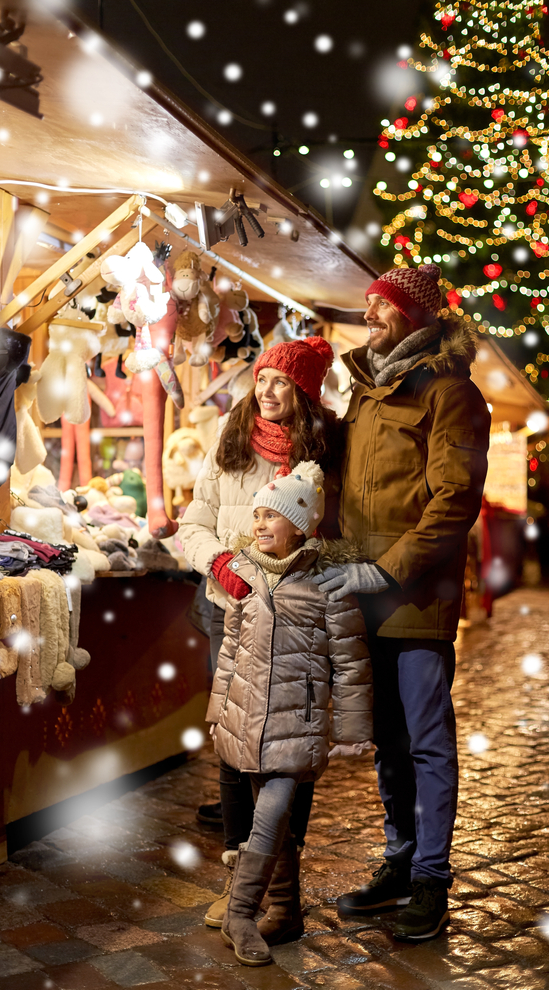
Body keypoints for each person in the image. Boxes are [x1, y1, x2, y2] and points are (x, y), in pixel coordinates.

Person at [316, 263, 490, 941]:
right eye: (366, 304)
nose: (369, 315)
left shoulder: (449, 392)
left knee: (424, 741)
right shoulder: (365, 389)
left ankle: (430, 878)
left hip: (415, 596)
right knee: (384, 738)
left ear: (414, 316)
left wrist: (384, 572)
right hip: (360, 590)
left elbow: (454, 501)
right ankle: (396, 860)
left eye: (381, 306)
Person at [179, 336, 343, 933]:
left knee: (286, 754)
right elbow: (193, 518)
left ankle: (278, 891)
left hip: (292, 620)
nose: (268, 390)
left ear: (302, 394)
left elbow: (328, 534)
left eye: (282, 382)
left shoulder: (319, 452)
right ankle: (236, 875)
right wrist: (218, 560)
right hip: (227, 611)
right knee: (232, 743)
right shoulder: (230, 435)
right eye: (264, 377)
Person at [206, 461, 373, 966]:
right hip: (246, 723)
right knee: (271, 825)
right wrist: (219, 711)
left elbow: (350, 662)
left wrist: (350, 729)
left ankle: (240, 913)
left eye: (270, 516)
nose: (258, 523)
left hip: (294, 725)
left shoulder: (327, 586)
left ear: (300, 526)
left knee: (274, 812)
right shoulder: (246, 579)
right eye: (256, 514)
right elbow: (231, 650)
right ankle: (286, 908)